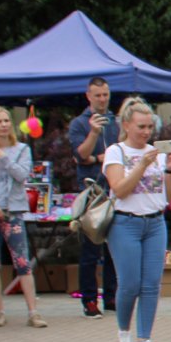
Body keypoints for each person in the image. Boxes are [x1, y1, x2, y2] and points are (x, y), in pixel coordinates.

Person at [104, 101, 171, 342]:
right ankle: (124, 331)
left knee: (151, 284)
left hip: (155, 221)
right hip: (126, 222)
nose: (146, 132)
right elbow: (120, 189)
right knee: (130, 283)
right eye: (141, 126)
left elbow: (170, 195)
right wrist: (142, 165)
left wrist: (168, 169)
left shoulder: (156, 153)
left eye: (150, 127)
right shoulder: (116, 151)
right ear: (126, 125)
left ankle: (145, 339)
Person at [0, 106, 47, 330]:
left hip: (13, 210)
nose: (4, 125)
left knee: (22, 261)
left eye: (6, 121)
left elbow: (22, 175)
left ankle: (33, 311)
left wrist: (3, 157)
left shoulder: (21, 149)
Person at [67, 78, 120, 318]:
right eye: (98, 95)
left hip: (115, 189)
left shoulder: (117, 122)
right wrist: (94, 134)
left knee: (113, 248)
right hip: (91, 192)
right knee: (91, 248)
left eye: (105, 94)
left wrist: (97, 158)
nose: (102, 99)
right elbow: (81, 156)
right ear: (88, 96)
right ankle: (89, 299)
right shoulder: (79, 124)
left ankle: (111, 296)